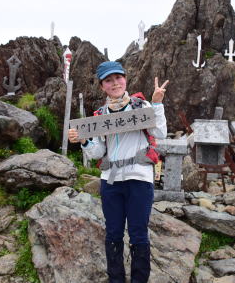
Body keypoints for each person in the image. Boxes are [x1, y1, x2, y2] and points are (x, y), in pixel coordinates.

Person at [68, 61, 168, 283]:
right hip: (111, 181)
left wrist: (157, 103)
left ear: (125, 79)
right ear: (102, 86)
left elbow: (160, 132)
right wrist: (84, 140)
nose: (115, 83)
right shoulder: (100, 116)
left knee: (138, 233)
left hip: (139, 178)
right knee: (113, 233)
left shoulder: (141, 107)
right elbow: (99, 151)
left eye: (118, 78)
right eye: (108, 80)